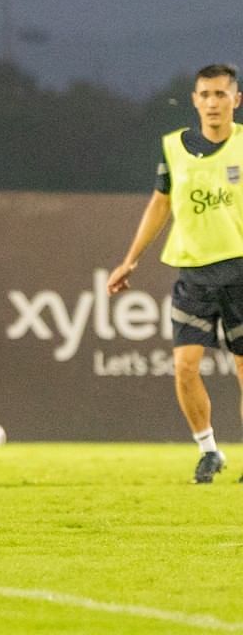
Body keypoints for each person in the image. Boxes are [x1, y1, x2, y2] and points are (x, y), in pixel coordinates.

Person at [107, 63, 243, 484]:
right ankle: (208, 450)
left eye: (222, 94)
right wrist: (130, 259)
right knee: (184, 366)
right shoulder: (174, 148)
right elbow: (160, 205)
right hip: (193, 274)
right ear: (195, 100)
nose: (213, 102)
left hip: (240, 271)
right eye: (206, 94)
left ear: (236, 100)